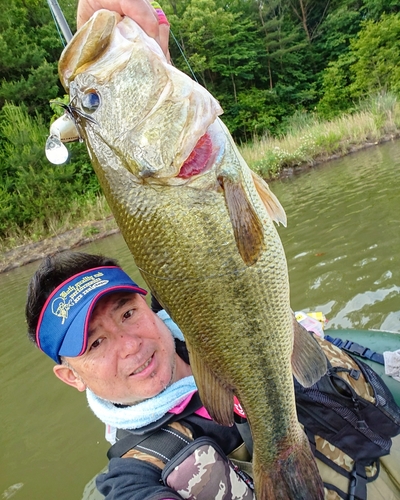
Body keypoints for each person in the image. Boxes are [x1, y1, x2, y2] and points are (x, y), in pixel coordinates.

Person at [26, 251, 400, 500]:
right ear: (70, 376)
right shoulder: (135, 475)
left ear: (148, 305)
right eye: (95, 344)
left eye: (127, 314)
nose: (129, 345)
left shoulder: (239, 331)